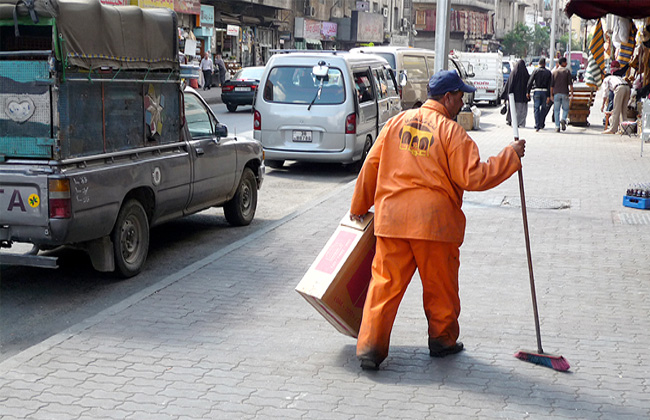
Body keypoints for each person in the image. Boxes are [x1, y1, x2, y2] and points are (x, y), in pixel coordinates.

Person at [349, 70, 526, 370]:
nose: (462, 102)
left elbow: (371, 166)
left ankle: (370, 347)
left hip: (392, 221)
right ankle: (442, 340)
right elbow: (474, 176)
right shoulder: (452, 133)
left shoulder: (395, 124)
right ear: (447, 97)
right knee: (440, 287)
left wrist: (359, 206)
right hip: (434, 224)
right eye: (459, 96)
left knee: (384, 285)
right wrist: (510, 156)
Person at [600, 63, 631, 134]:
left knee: (616, 109)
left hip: (619, 88)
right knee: (623, 110)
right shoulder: (616, 77)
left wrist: (602, 105)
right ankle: (624, 130)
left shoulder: (606, 79)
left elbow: (605, 93)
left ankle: (613, 129)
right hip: (627, 87)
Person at [526, 57, 553, 132]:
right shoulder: (548, 72)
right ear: (545, 64)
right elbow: (549, 85)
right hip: (545, 92)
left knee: (536, 108)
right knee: (544, 108)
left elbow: (530, 82)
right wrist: (548, 96)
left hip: (537, 91)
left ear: (539, 63)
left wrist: (528, 92)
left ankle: (537, 124)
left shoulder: (535, 71)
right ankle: (541, 123)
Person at [501, 59, 530, 128]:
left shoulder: (513, 73)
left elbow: (509, 84)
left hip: (513, 96)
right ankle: (520, 123)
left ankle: (511, 120)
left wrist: (507, 94)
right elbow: (529, 84)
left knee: (512, 109)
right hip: (523, 96)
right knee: (522, 111)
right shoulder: (526, 73)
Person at [550, 57, 573, 133]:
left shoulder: (554, 72)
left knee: (556, 110)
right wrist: (572, 94)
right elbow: (570, 84)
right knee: (565, 109)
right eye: (565, 62)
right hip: (565, 93)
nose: (566, 64)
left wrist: (551, 95)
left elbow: (551, 86)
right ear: (562, 63)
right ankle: (563, 119)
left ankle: (557, 126)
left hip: (556, 94)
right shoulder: (567, 72)